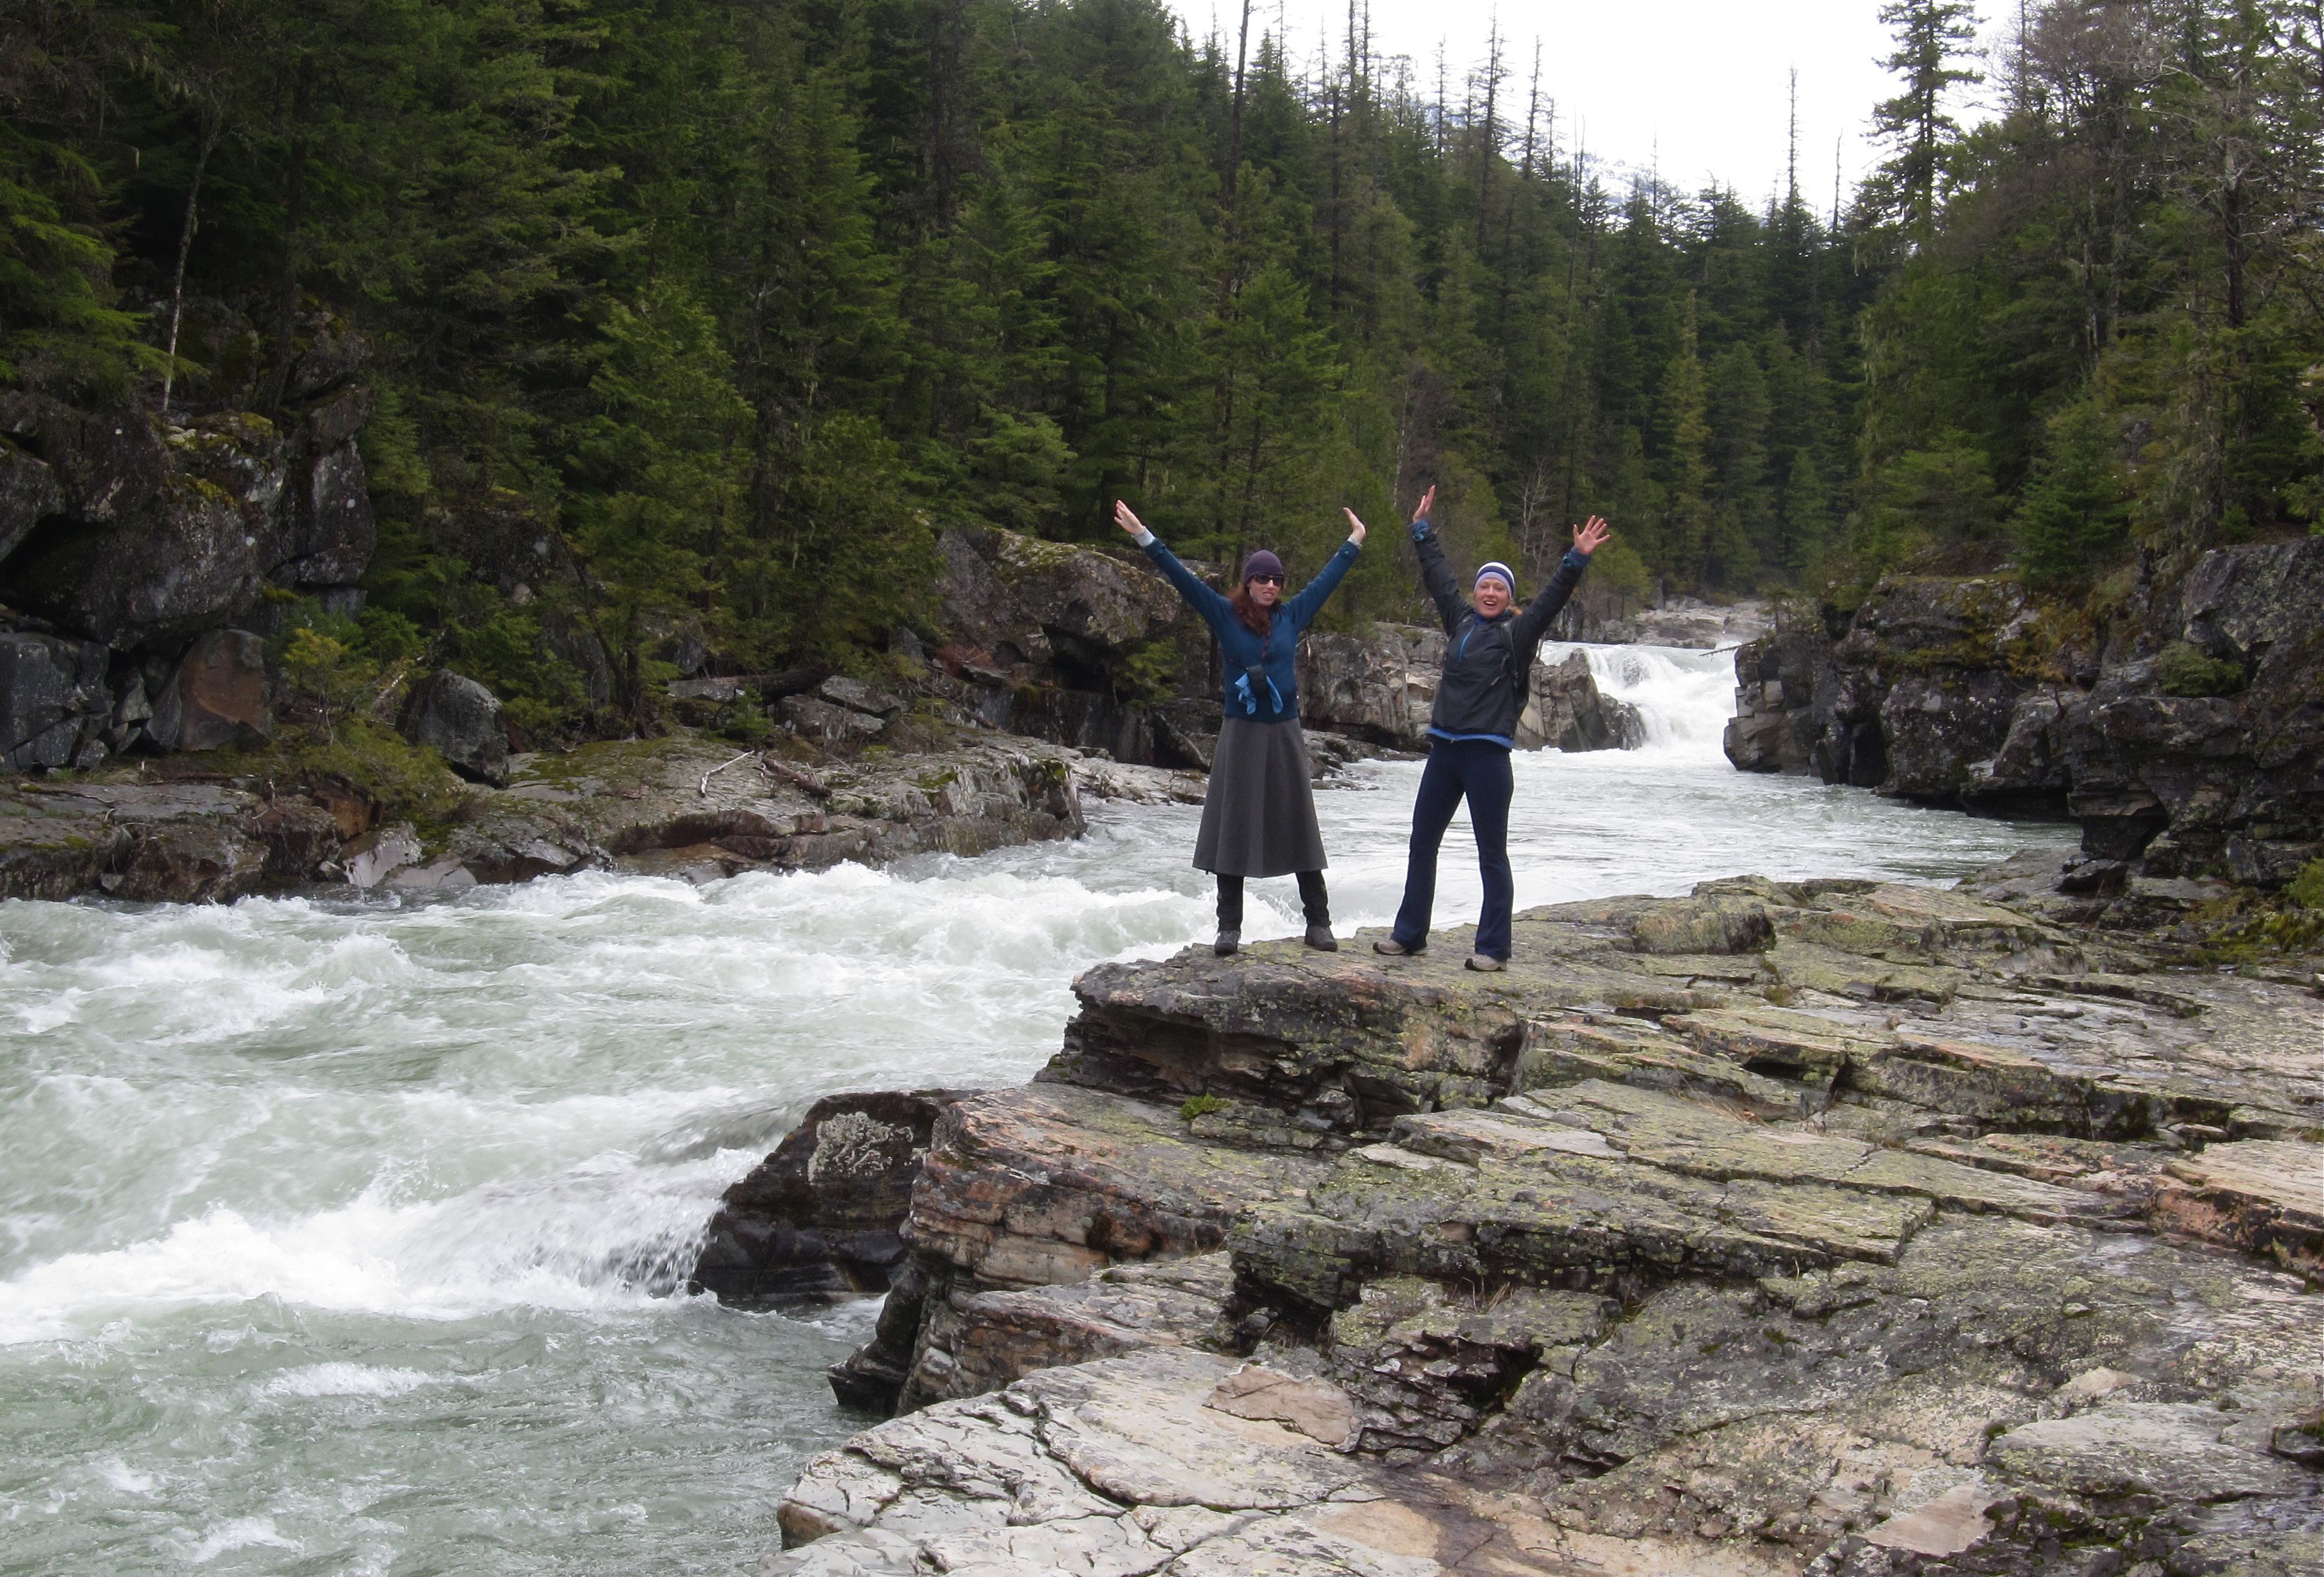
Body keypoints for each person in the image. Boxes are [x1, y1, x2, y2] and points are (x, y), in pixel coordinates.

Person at [1373, 486, 1612, 971]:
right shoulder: (1460, 621)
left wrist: (1577, 559)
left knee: (1491, 855)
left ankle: (1494, 948)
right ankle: (1410, 935)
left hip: (1487, 756)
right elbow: (1439, 578)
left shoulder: (1516, 634)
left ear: (1508, 598)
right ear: (1476, 592)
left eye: (1499, 588)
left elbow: (1550, 601)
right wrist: (1421, 531)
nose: (1489, 593)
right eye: (1484, 586)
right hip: (1444, 752)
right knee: (1422, 843)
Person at [1113, 500, 1366, 955]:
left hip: (1284, 731)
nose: (1270, 585)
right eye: (1262, 578)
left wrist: (1354, 542)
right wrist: (1143, 536)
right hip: (1241, 731)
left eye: (1276, 580)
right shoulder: (1223, 613)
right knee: (1233, 825)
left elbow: (1327, 581)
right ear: (1248, 581)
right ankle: (1228, 928)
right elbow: (1180, 577)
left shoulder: (1292, 615)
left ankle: (1319, 922)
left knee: (1299, 823)